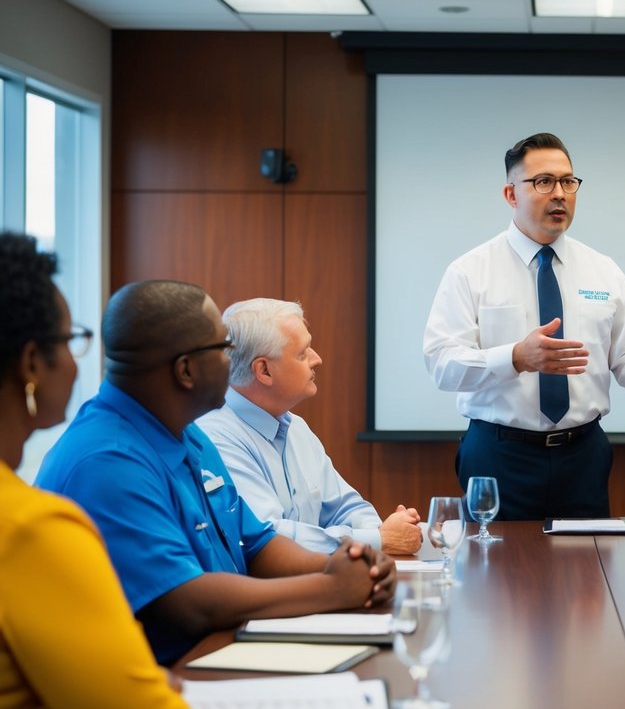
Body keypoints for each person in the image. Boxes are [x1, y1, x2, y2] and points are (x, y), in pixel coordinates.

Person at [37, 280, 396, 665]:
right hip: (168, 675)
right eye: (224, 349)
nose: (233, 360)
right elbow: (189, 602)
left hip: (219, 650)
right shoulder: (106, 460)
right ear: (186, 370)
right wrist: (330, 588)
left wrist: (350, 565)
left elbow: (256, 545)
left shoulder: (188, 433)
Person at [0, 233, 203, 709]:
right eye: (71, 341)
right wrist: (154, 688)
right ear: (31, 363)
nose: (80, 358)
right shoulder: (35, 532)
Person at [423, 132, 625, 520]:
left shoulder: (603, 270)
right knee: (495, 576)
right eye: (543, 182)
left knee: (584, 574)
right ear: (511, 195)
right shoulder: (470, 271)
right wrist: (516, 357)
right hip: (499, 456)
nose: (560, 194)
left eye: (568, 182)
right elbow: (442, 363)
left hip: (582, 456)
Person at [197, 298, 422, 555]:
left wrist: (381, 535)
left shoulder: (295, 426)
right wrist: (377, 540)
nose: (317, 359)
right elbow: (268, 537)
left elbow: (347, 507)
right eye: (303, 353)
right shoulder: (214, 437)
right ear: (264, 370)